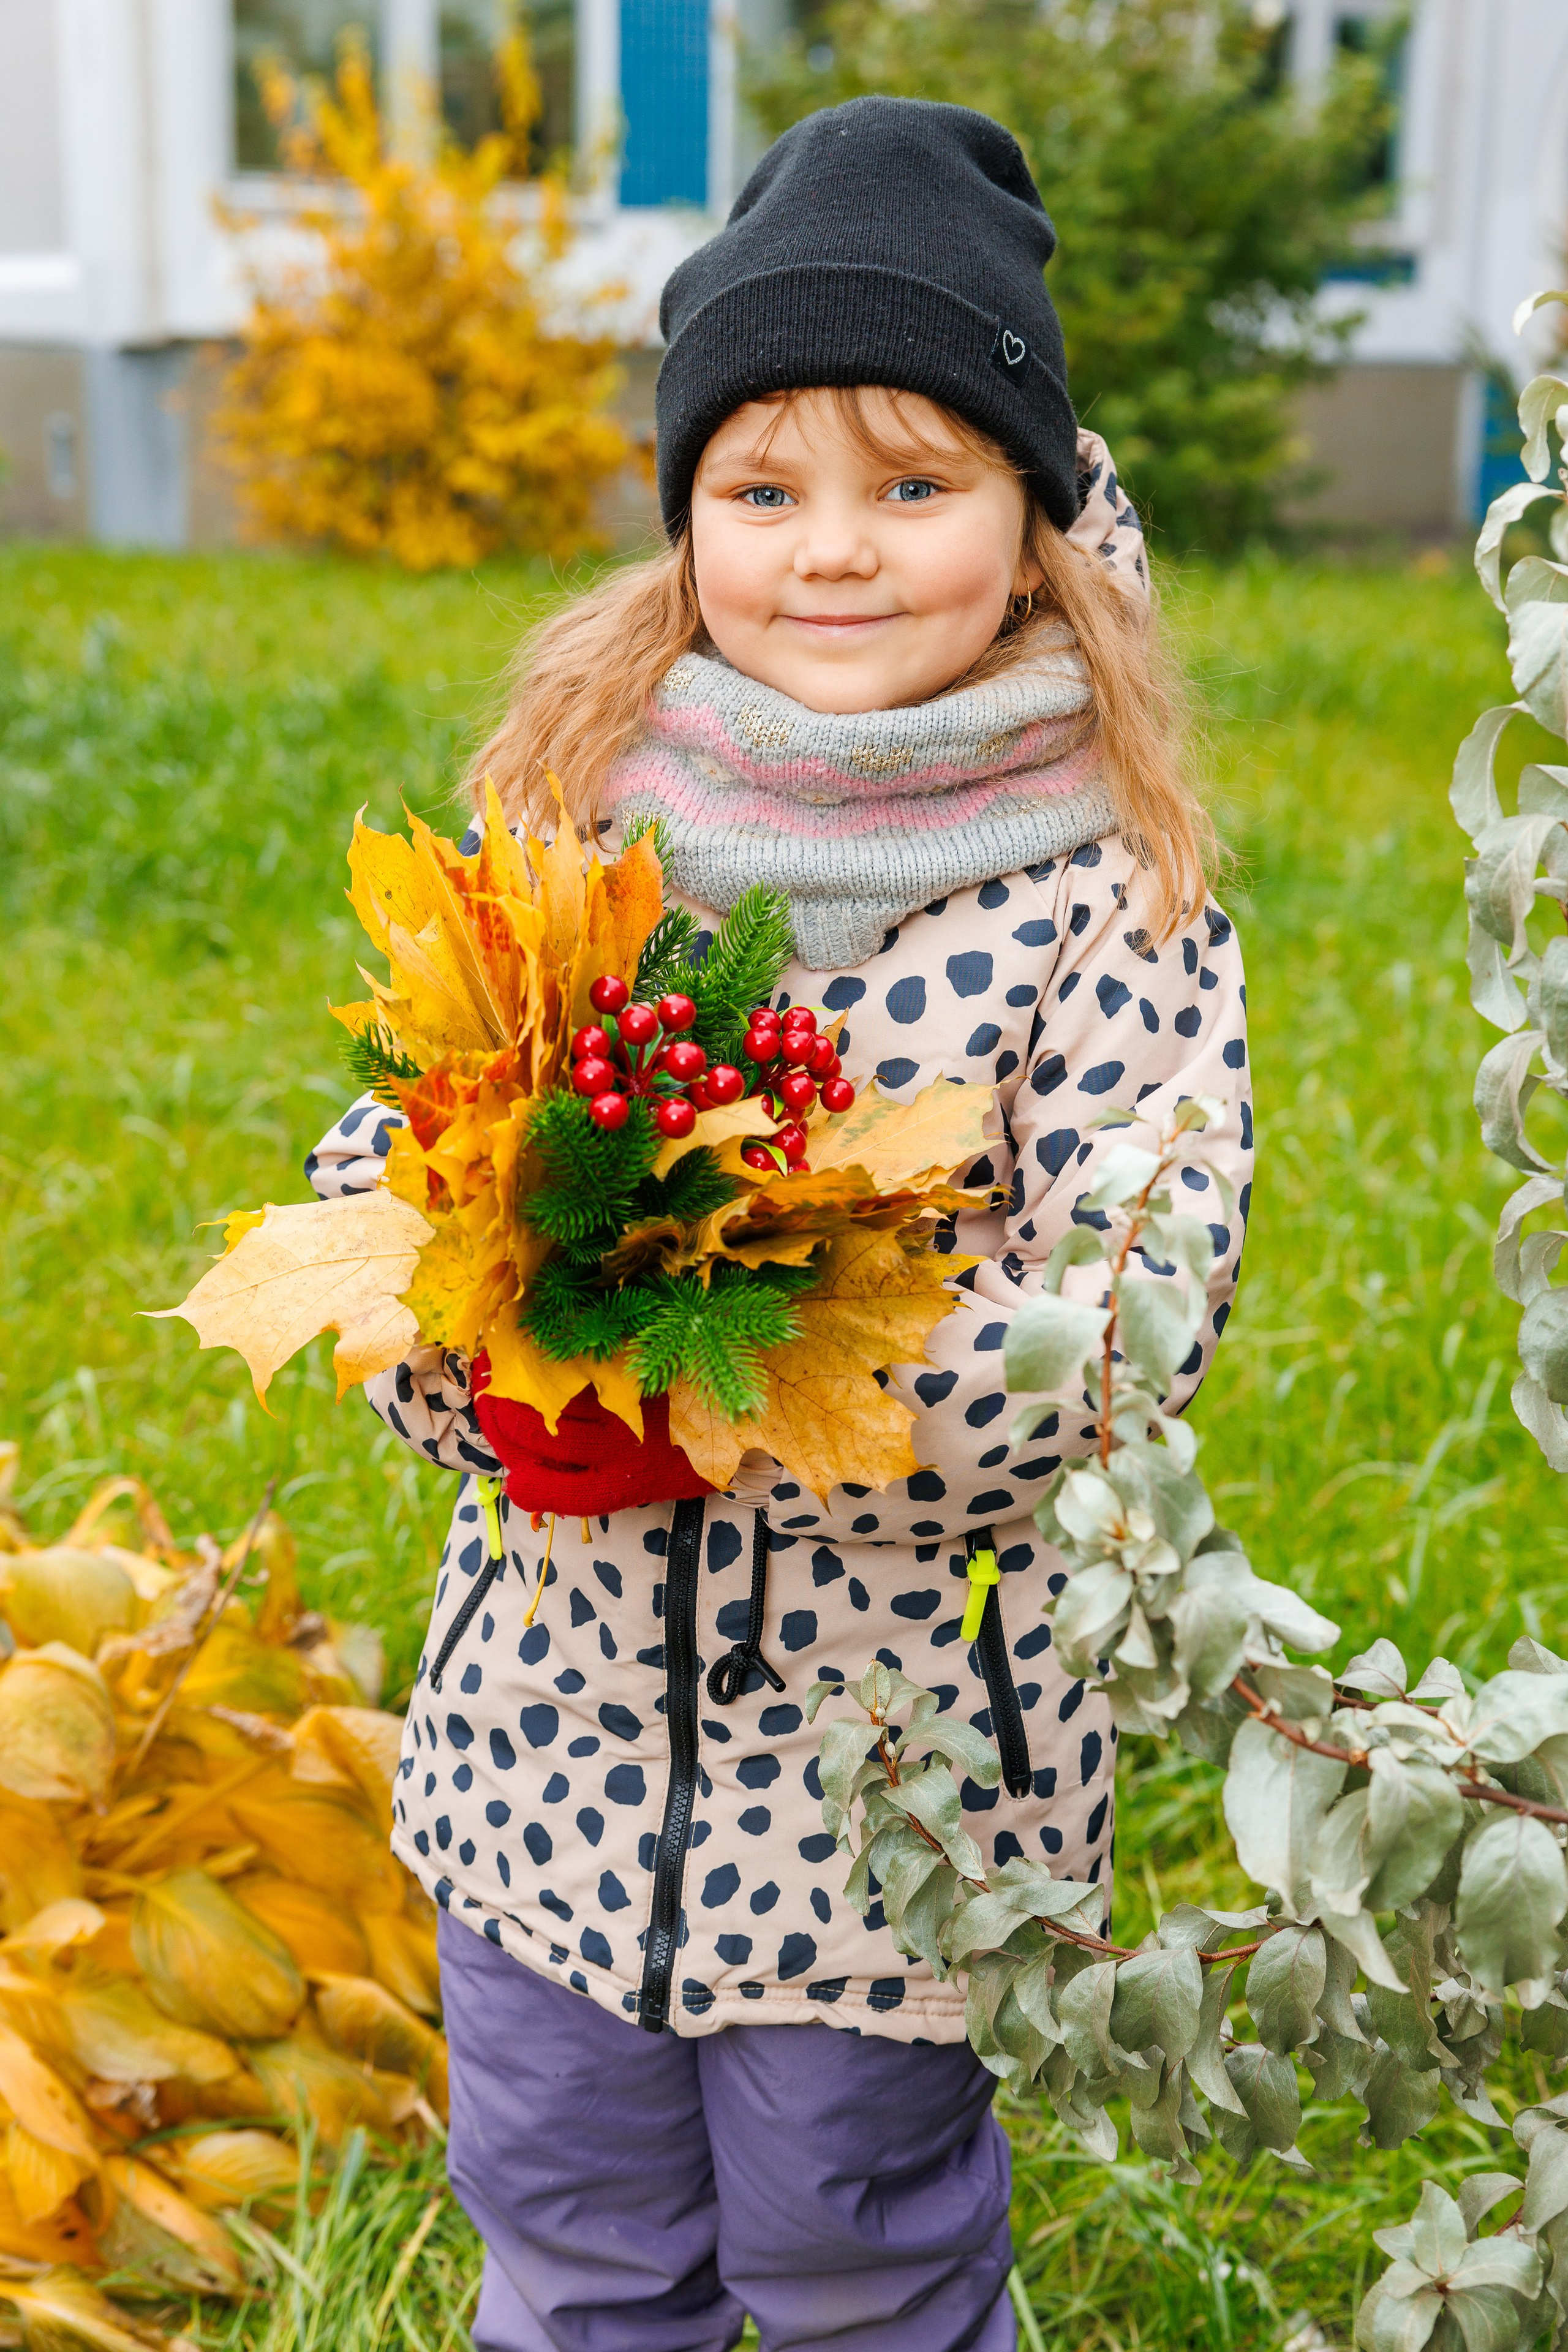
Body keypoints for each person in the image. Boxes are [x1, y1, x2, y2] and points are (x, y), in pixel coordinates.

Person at [306, 94, 1251, 2352]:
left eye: (913, 486)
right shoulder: (574, 829)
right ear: (690, 516)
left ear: (1030, 527)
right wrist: (507, 1374)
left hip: (889, 1799)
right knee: (569, 2225)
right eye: (767, 488)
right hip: (541, 1764)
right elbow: (393, 1185)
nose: (834, 549)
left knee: (864, 2250)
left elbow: (1123, 1325)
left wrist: (745, 1393)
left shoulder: (1105, 896)